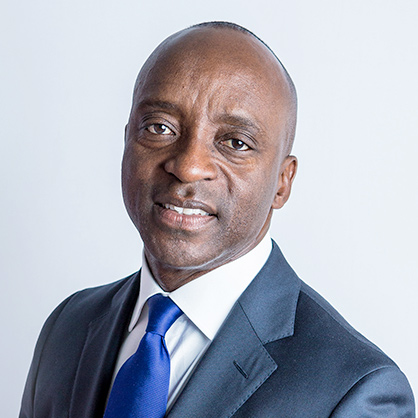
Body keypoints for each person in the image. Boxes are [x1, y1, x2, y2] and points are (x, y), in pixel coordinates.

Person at [20, 21, 415, 418]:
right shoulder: (68, 327)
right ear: (127, 139)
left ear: (282, 182)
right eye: (160, 127)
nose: (188, 166)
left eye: (236, 142)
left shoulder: (356, 392)